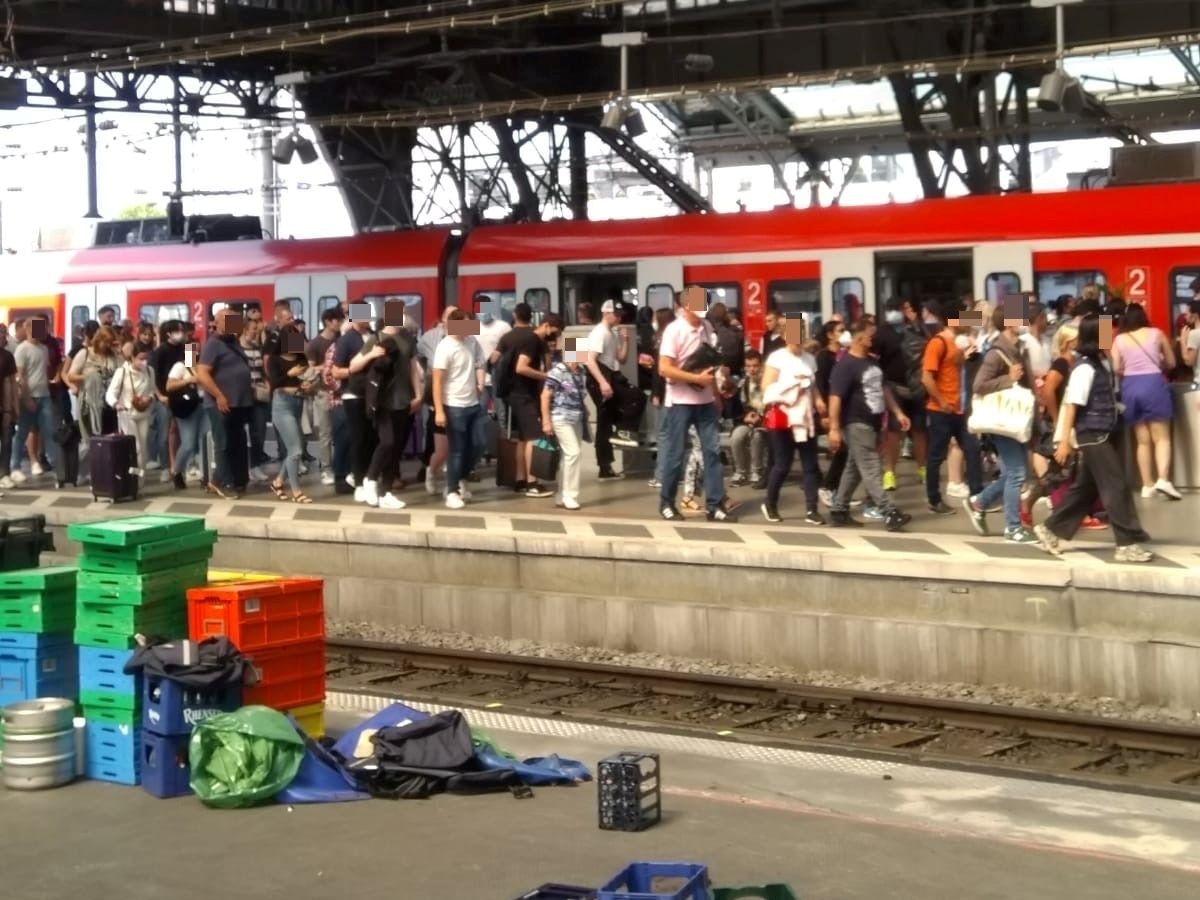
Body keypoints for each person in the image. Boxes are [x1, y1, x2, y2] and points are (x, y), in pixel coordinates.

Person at [1035, 315, 1153, 564]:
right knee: (1115, 485)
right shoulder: (1084, 368)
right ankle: (1126, 543)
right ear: (1094, 336)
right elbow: (1071, 405)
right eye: (1105, 331)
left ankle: (1050, 529)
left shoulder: (1103, 363)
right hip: (1092, 434)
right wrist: (1064, 441)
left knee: (1086, 489)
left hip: (1105, 431)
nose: (1111, 335)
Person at [657, 287, 736, 523]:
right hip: (680, 402)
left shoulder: (707, 328)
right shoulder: (674, 330)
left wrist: (716, 394)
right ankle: (667, 503)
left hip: (705, 402)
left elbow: (711, 364)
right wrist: (695, 379)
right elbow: (664, 368)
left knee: (712, 452)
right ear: (686, 305)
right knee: (675, 454)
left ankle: (715, 505)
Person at [827, 316, 912, 531]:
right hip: (856, 423)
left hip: (873, 422)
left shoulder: (872, 361)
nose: (874, 339)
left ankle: (839, 510)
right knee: (871, 468)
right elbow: (835, 398)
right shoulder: (845, 365)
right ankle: (889, 512)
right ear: (858, 338)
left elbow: (884, 390)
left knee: (854, 468)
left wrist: (898, 412)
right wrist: (834, 428)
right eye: (870, 336)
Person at [962, 307, 1039, 544]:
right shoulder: (996, 353)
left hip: (1017, 419)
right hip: (1004, 419)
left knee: (1014, 472)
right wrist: (1009, 379)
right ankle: (1013, 527)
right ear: (1009, 322)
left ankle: (980, 502)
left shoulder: (1019, 348)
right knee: (1016, 473)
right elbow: (978, 385)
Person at [1111, 303, 1182, 500]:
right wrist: (1159, 363)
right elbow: (1172, 363)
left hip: (1130, 386)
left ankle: (1146, 485)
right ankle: (1163, 480)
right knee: (1161, 438)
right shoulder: (1157, 334)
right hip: (1153, 384)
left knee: (1142, 441)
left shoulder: (1119, 338)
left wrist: (1129, 369)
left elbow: (1115, 367)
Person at [760, 318, 824, 524]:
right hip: (783, 415)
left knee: (810, 464)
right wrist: (792, 385)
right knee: (782, 464)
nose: (798, 336)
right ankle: (770, 503)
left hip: (805, 416)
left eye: (801, 331)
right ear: (785, 334)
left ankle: (812, 509)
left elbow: (813, 386)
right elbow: (766, 387)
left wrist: (819, 401)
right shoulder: (777, 357)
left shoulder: (810, 359)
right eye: (794, 331)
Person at [921, 299, 982, 515]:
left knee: (973, 449)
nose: (968, 320)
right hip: (942, 410)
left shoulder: (961, 342)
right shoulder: (937, 343)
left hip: (960, 408)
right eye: (964, 316)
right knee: (936, 456)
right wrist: (941, 401)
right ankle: (934, 499)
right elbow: (927, 377)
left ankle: (978, 497)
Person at [359, 316, 424, 509]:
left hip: (403, 401)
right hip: (382, 401)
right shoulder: (376, 338)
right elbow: (355, 364)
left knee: (395, 449)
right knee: (387, 442)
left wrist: (418, 394)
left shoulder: (408, 339)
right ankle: (370, 479)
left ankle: (386, 492)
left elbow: (413, 368)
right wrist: (371, 354)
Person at [195, 308, 254, 499]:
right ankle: (223, 481)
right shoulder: (209, 344)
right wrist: (218, 394)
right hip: (217, 402)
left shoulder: (233, 342)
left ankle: (236, 479)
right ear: (217, 322)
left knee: (238, 440)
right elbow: (200, 372)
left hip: (238, 402)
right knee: (222, 442)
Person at [432, 309, 486, 510]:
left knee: (479, 444)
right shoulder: (445, 347)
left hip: (473, 403)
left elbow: (480, 363)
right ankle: (452, 491)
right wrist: (439, 410)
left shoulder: (471, 341)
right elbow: (437, 381)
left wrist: (480, 384)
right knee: (457, 450)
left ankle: (460, 477)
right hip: (454, 406)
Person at [265, 324, 315, 504]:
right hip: (282, 404)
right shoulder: (274, 359)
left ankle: (278, 482)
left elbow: (303, 379)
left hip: (298, 402)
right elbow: (274, 382)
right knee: (295, 450)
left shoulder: (300, 357)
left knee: (296, 446)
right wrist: (289, 373)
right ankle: (296, 491)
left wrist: (306, 386)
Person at [585, 299, 634, 478]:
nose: (620, 318)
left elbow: (621, 359)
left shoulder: (611, 333)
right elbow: (589, 360)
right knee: (606, 419)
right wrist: (602, 383)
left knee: (606, 421)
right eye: (617, 314)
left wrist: (625, 340)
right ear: (606, 313)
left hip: (609, 377)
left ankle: (606, 465)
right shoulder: (600, 333)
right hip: (601, 379)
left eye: (621, 315)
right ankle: (605, 465)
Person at [540, 341, 590, 510]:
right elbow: (545, 396)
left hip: (576, 417)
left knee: (568, 456)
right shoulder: (558, 371)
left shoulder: (581, 372)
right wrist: (546, 421)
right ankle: (570, 495)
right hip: (560, 417)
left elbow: (579, 394)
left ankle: (562, 495)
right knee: (573, 453)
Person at [105, 342, 156, 470]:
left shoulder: (150, 371)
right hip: (127, 413)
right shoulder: (122, 372)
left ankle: (140, 478)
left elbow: (152, 390)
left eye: (146, 358)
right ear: (132, 358)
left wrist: (149, 398)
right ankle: (135, 477)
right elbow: (110, 393)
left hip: (144, 413)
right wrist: (116, 404)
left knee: (143, 447)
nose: (144, 362)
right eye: (141, 359)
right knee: (136, 447)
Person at [165, 341, 207, 491]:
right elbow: (169, 386)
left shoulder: (201, 366)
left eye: (198, 350)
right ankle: (177, 470)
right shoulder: (181, 366)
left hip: (203, 405)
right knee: (188, 443)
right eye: (193, 350)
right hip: (187, 407)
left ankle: (205, 474)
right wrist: (188, 380)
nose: (197, 353)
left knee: (204, 441)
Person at [729, 349, 767, 487]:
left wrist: (760, 417)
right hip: (748, 420)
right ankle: (741, 472)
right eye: (749, 366)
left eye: (755, 366)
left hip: (766, 421)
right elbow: (737, 407)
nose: (752, 369)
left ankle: (757, 471)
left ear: (761, 366)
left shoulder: (767, 382)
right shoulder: (744, 383)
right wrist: (745, 417)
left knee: (757, 436)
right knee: (737, 436)